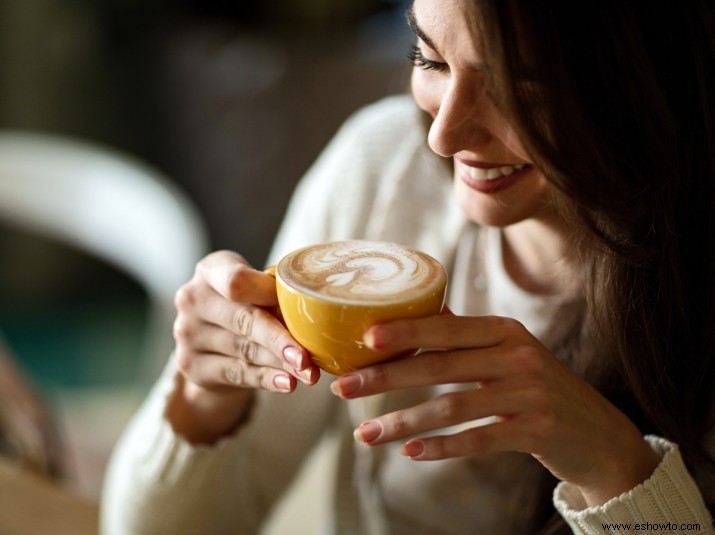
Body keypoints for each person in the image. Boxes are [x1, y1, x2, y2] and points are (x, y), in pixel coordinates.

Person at [101, 0, 715, 533]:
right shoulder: (383, 171)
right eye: (431, 59)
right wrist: (203, 397)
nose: (443, 137)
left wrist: (614, 465)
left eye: (519, 86)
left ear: (644, 76)